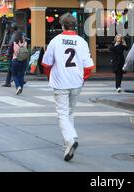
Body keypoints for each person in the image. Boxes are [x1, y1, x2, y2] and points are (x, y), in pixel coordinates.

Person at [42, 13, 94, 162]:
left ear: (62, 26)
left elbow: (46, 64)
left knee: (63, 114)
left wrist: (50, 76)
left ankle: (70, 139)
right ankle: (68, 143)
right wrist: (81, 80)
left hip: (60, 82)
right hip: (76, 82)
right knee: (70, 113)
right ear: (75, 26)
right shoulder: (82, 42)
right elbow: (89, 67)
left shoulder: (55, 41)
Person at [11, 31, 28, 95]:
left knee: (14, 75)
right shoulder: (25, 43)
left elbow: (14, 51)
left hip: (16, 60)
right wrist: (23, 40)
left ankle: (18, 87)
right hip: (23, 61)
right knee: (21, 75)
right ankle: (21, 88)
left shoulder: (15, 43)